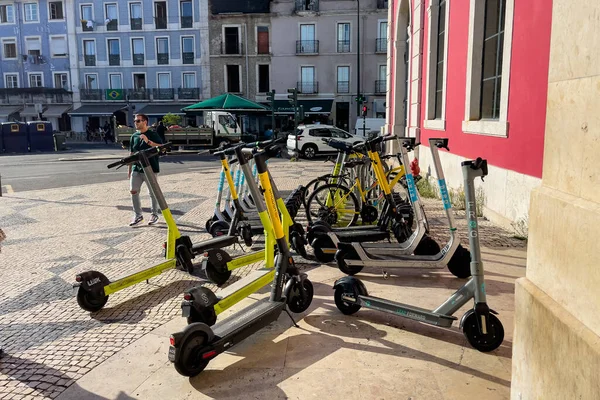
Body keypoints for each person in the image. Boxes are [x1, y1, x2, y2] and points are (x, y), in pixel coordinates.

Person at [127, 113, 164, 226]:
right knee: (133, 190)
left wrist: (148, 141)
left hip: (150, 168)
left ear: (145, 122)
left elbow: (161, 148)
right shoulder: (134, 136)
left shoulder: (153, 134)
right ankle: (138, 215)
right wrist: (129, 169)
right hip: (136, 168)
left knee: (152, 192)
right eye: (135, 121)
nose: (136, 123)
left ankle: (154, 214)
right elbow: (132, 153)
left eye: (138, 121)